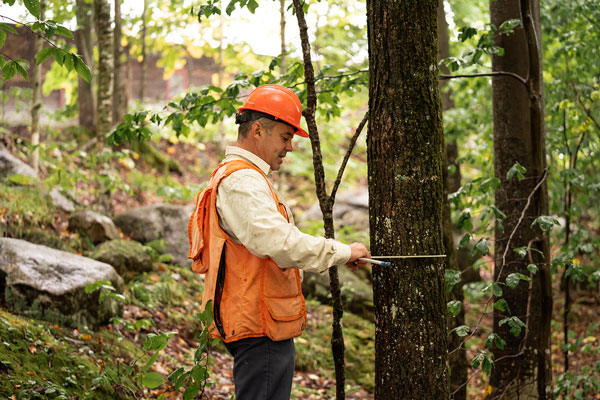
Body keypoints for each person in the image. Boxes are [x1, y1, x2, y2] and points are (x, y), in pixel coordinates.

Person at [188, 84, 370, 400]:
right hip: (259, 326)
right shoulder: (243, 181)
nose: (289, 147)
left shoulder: (244, 177)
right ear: (258, 130)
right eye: (285, 137)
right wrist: (342, 251)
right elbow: (280, 243)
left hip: (259, 320)